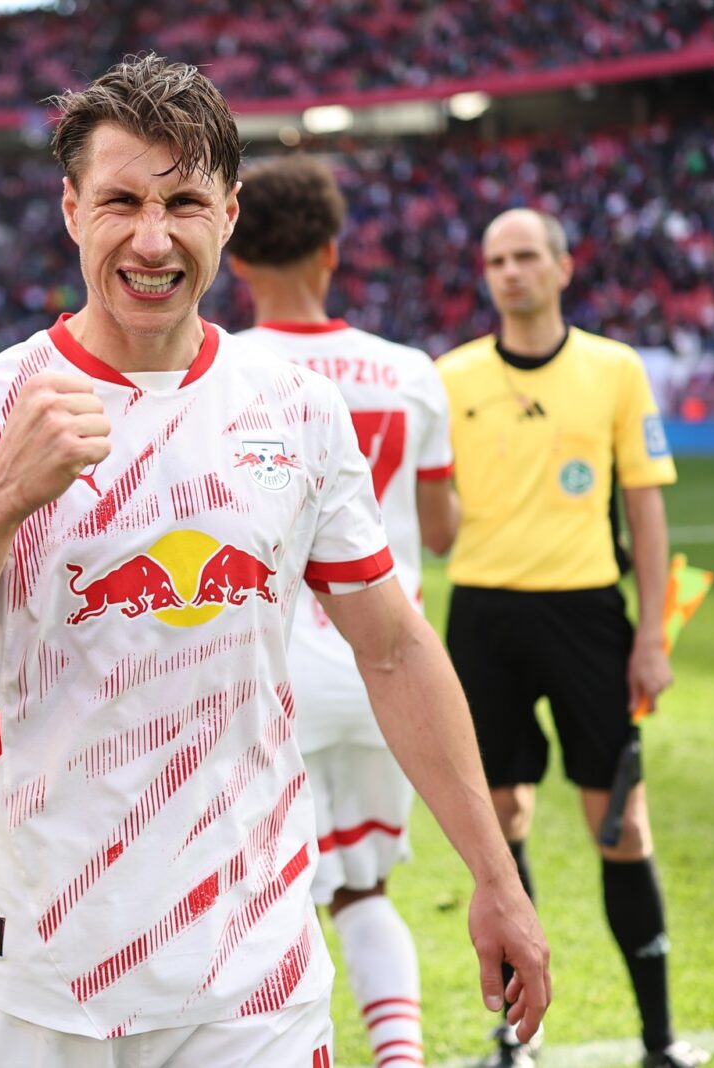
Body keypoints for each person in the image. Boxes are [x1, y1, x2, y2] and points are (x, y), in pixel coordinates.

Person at [0, 55, 549, 1068]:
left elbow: (395, 648)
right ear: (71, 210)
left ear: (228, 214)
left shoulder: (296, 410)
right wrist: (1, 497)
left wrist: (495, 876)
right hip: (33, 976)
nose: (152, 239)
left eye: (183, 203)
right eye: (121, 202)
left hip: (251, 977)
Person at [436, 208, 707, 1068]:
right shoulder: (449, 377)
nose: (510, 272)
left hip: (589, 617)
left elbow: (646, 512)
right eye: (496, 260)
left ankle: (659, 1041)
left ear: (562, 267)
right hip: (483, 617)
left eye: (525, 256)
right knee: (501, 822)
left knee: (619, 823)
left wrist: (652, 639)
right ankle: (517, 1038)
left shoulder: (615, 370)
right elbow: (434, 521)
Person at [225, 154, 461, 1068]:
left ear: (237, 258)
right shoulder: (411, 372)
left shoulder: (224, 370)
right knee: (366, 891)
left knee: (259, 903)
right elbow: (441, 531)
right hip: (388, 669)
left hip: (270, 675)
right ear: (333, 250)